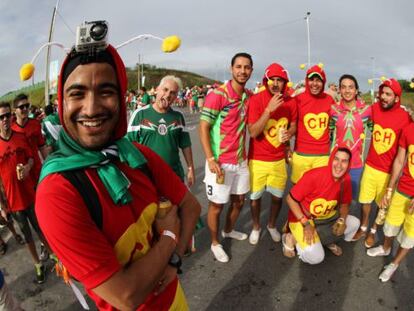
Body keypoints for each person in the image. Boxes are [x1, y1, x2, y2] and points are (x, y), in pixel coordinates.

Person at [35, 44, 201, 310]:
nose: (90, 109)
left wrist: (175, 261)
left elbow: (192, 206)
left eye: (106, 92)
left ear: (121, 98)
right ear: (61, 102)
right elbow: (126, 296)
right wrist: (170, 236)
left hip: (175, 298)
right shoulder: (57, 193)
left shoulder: (136, 154)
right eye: (77, 93)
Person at [199, 52, 253, 263]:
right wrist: (211, 159)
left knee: (239, 200)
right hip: (220, 163)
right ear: (232, 69)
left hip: (241, 161)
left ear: (251, 70)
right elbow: (203, 128)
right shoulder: (218, 95)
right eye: (238, 66)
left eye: (247, 67)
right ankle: (214, 243)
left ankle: (228, 231)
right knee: (217, 205)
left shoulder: (248, 96)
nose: (242, 71)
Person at [353, 79, 412, 248]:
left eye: (388, 94)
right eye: (382, 93)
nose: (383, 97)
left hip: (388, 171)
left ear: (397, 98)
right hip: (371, 166)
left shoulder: (405, 117)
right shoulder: (374, 109)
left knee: (382, 205)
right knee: (365, 201)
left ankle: (373, 230)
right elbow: (357, 112)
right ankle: (363, 226)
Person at [246, 63, 297, 245]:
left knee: (277, 198)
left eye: (279, 80)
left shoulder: (290, 101)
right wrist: (268, 110)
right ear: (266, 81)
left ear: (285, 83)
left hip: (278, 159)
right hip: (257, 159)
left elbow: (293, 125)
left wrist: (289, 133)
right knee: (255, 198)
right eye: (272, 80)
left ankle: (271, 225)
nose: (275, 84)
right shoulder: (256, 100)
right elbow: (253, 132)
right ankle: (256, 227)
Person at [283, 146, 360, 263]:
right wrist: (306, 224)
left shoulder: (346, 179)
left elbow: (344, 204)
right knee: (316, 258)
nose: (339, 165)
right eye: (336, 159)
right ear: (330, 159)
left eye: (344, 161)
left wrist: (342, 220)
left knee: (354, 223)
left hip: (328, 217)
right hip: (305, 218)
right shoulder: (314, 175)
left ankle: (326, 240)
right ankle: (292, 239)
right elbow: (290, 199)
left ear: (349, 164)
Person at [0, 101, 46, 283]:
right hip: (13, 202)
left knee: (41, 229)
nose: (4, 119)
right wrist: (2, 206)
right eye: (0, 117)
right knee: (27, 237)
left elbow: (31, 160)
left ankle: (54, 256)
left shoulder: (19, 137)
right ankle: (37, 264)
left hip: (29, 194)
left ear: (11, 116)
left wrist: (27, 167)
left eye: (6, 115)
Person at [366, 121, 414, 282]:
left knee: (409, 235)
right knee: (390, 226)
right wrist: (389, 188)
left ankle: (394, 264)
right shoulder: (409, 130)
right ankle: (386, 248)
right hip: (402, 190)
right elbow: (400, 161)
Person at [127, 75, 195, 186]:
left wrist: (190, 168)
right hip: (146, 177)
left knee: (177, 204)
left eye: (173, 93)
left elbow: (185, 145)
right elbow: (128, 146)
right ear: (157, 89)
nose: (168, 95)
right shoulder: (140, 114)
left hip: (173, 175)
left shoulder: (178, 116)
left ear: (176, 96)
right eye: (165, 90)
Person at [290, 65, 335, 184]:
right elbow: (291, 124)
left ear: (323, 82)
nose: (315, 84)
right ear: (307, 81)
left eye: (318, 80)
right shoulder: (298, 99)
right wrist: (286, 146)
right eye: (311, 80)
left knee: (318, 193)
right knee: (298, 192)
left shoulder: (329, 100)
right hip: (301, 155)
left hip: (322, 156)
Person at [330, 74, 372, 201]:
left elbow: (376, 131)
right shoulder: (333, 109)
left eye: (351, 87)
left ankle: (345, 220)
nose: (347, 91)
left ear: (356, 90)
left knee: (349, 201)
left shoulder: (366, 110)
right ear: (339, 90)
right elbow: (328, 132)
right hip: (335, 163)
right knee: (333, 198)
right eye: (343, 87)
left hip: (355, 164)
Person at [11, 93, 51, 181]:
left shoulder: (35, 124)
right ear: (15, 110)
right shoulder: (11, 130)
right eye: (21, 107)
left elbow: (42, 148)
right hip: (22, 176)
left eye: (27, 105)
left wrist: (50, 166)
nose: (25, 109)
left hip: (38, 172)